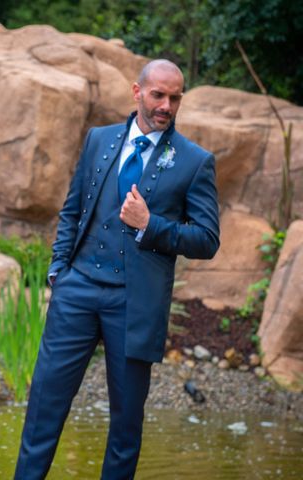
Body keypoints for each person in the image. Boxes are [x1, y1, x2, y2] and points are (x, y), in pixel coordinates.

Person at [14, 59, 220, 479]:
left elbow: (207, 239)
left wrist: (152, 225)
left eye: (174, 97)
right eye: (158, 95)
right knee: (43, 408)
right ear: (137, 91)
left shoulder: (195, 162)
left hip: (134, 304)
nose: (165, 105)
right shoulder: (98, 139)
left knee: (126, 425)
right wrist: (59, 270)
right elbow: (72, 209)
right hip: (76, 291)